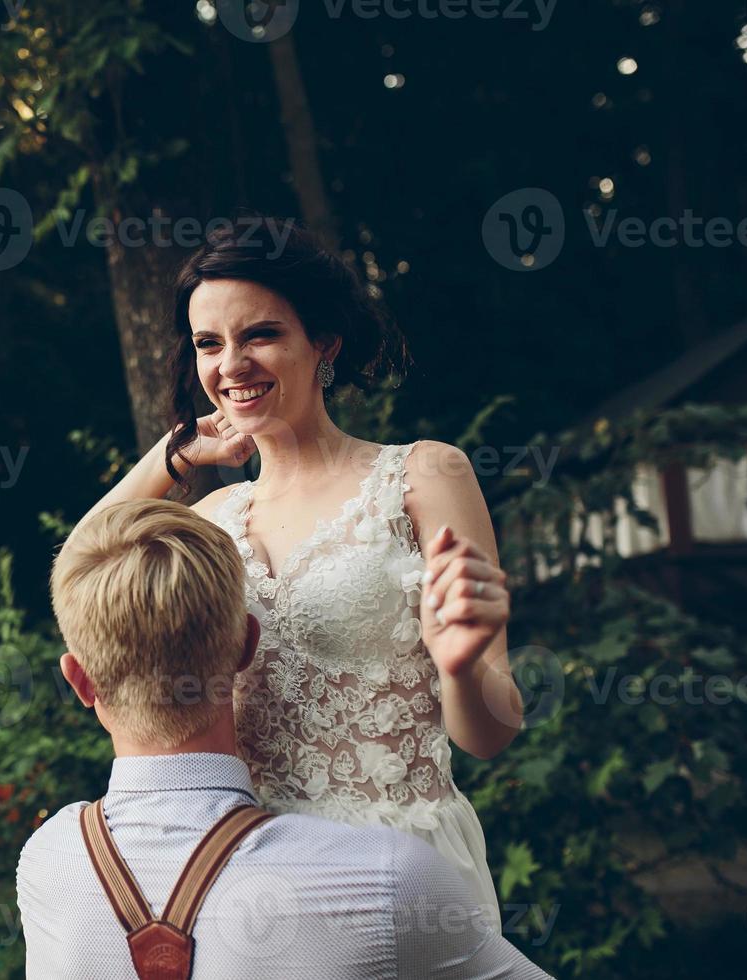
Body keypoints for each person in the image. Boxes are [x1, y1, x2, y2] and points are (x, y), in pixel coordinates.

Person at [75, 218, 519, 926]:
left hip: (404, 872)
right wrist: (172, 458)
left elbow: (491, 733)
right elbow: (81, 570)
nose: (231, 365)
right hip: (253, 875)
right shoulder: (213, 518)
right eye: (208, 344)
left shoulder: (422, 476)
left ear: (324, 345)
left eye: (260, 335)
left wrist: (461, 667)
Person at [16, 499, 550, 978]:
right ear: (249, 644)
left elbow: (85, 550)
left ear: (79, 680)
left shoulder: (47, 865)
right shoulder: (386, 880)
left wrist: (171, 454)